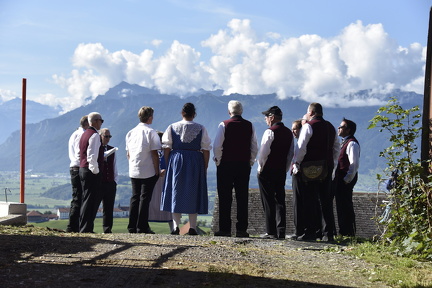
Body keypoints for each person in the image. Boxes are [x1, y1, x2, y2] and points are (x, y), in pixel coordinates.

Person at [161, 103, 211, 236]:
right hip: (195, 160)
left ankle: (176, 226)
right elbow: (206, 149)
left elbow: (166, 147)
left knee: (176, 190)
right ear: (194, 114)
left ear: (182, 113)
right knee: (193, 191)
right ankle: (193, 227)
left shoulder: (172, 127)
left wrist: (168, 164)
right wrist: (205, 166)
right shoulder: (201, 128)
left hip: (176, 159)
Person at [293, 103, 340, 241]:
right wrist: (333, 164)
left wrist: (297, 162)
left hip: (310, 167)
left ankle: (310, 232)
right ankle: (328, 233)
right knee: (325, 201)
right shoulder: (331, 127)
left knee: (310, 200)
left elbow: (301, 147)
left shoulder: (308, 126)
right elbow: (336, 148)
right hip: (327, 166)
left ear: (311, 112)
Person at [213, 100, 258, 238]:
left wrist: (219, 160)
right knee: (242, 197)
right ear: (241, 111)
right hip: (243, 165)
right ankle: (241, 229)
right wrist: (250, 161)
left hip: (226, 164)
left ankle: (225, 229)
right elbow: (254, 146)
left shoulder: (224, 125)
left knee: (225, 197)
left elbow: (217, 146)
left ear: (229, 112)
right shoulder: (249, 125)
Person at [257, 106, 294, 240]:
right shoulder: (289, 133)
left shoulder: (270, 132)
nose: (266, 119)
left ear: (272, 117)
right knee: (280, 200)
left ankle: (270, 231)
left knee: (268, 200)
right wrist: (285, 168)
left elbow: (263, 153)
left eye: (267, 117)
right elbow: (290, 153)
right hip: (280, 170)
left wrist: (260, 168)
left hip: (268, 170)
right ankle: (281, 230)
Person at [125, 106, 161, 234]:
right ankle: (142, 226)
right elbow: (154, 154)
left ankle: (132, 226)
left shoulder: (130, 132)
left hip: (134, 168)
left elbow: (128, 154)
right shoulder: (151, 132)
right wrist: (157, 170)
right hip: (148, 169)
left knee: (135, 197)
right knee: (145, 199)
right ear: (150, 117)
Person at [79, 112, 104, 233]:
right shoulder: (94, 135)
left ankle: (85, 227)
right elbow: (92, 156)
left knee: (86, 199)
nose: (101, 123)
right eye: (101, 120)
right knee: (91, 201)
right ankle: (86, 228)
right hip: (90, 171)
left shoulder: (84, 134)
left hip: (82, 168)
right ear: (95, 121)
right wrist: (96, 172)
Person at [334, 118, 360, 236]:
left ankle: (348, 232)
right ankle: (344, 231)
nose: (339, 128)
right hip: (341, 179)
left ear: (348, 130)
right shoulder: (344, 142)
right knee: (341, 205)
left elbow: (353, 164)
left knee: (345, 205)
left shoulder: (352, 143)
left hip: (345, 179)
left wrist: (346, 180)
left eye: (342, 127)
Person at [67, 115, 89, 232]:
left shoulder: (75, 133)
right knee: (78, 198)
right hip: (79, 167)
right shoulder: (82, 135)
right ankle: (73, 227)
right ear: (87, 124)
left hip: (74, 167)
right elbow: (80, 153)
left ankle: (74, 226)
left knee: (77, 198)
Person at [148, 131, 174, 231]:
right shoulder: (151, 151)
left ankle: (173, 228)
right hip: (153, 178)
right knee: (150, 203)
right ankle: (145, 225)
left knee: (168, 202)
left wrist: (166, 170)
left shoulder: (168, 152)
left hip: (166, 179)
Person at [96, 128, 118, 233]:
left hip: (110, 182)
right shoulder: (96, 148)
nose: (108, 139)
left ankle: (107, 228)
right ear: (100, 136)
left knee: (109, 207)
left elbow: (114, 166)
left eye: (110, 136)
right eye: (106, 136)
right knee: (94, 206)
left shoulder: (112, 149)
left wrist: (115, 181)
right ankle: (88, 227)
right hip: (99, 182)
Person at [289, 119, 305, 239]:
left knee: (299, 201)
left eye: (295, 128)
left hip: (299, 173)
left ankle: (299, 230)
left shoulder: (301, 143)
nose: (292, 131)